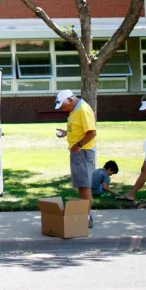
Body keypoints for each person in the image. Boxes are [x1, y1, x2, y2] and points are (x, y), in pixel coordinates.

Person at [54, 89, 98, 228]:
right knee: (81, 184)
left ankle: (87, 216)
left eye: (63, 105)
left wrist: (77, 145)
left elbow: (91, 133)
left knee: (84, 185)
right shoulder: (75, 109)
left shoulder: (83, 110)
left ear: (70, 99)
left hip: (82, 152)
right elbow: (79, 128)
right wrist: (66, 133)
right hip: (79, 151)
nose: (63, 109)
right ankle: (85, 215)